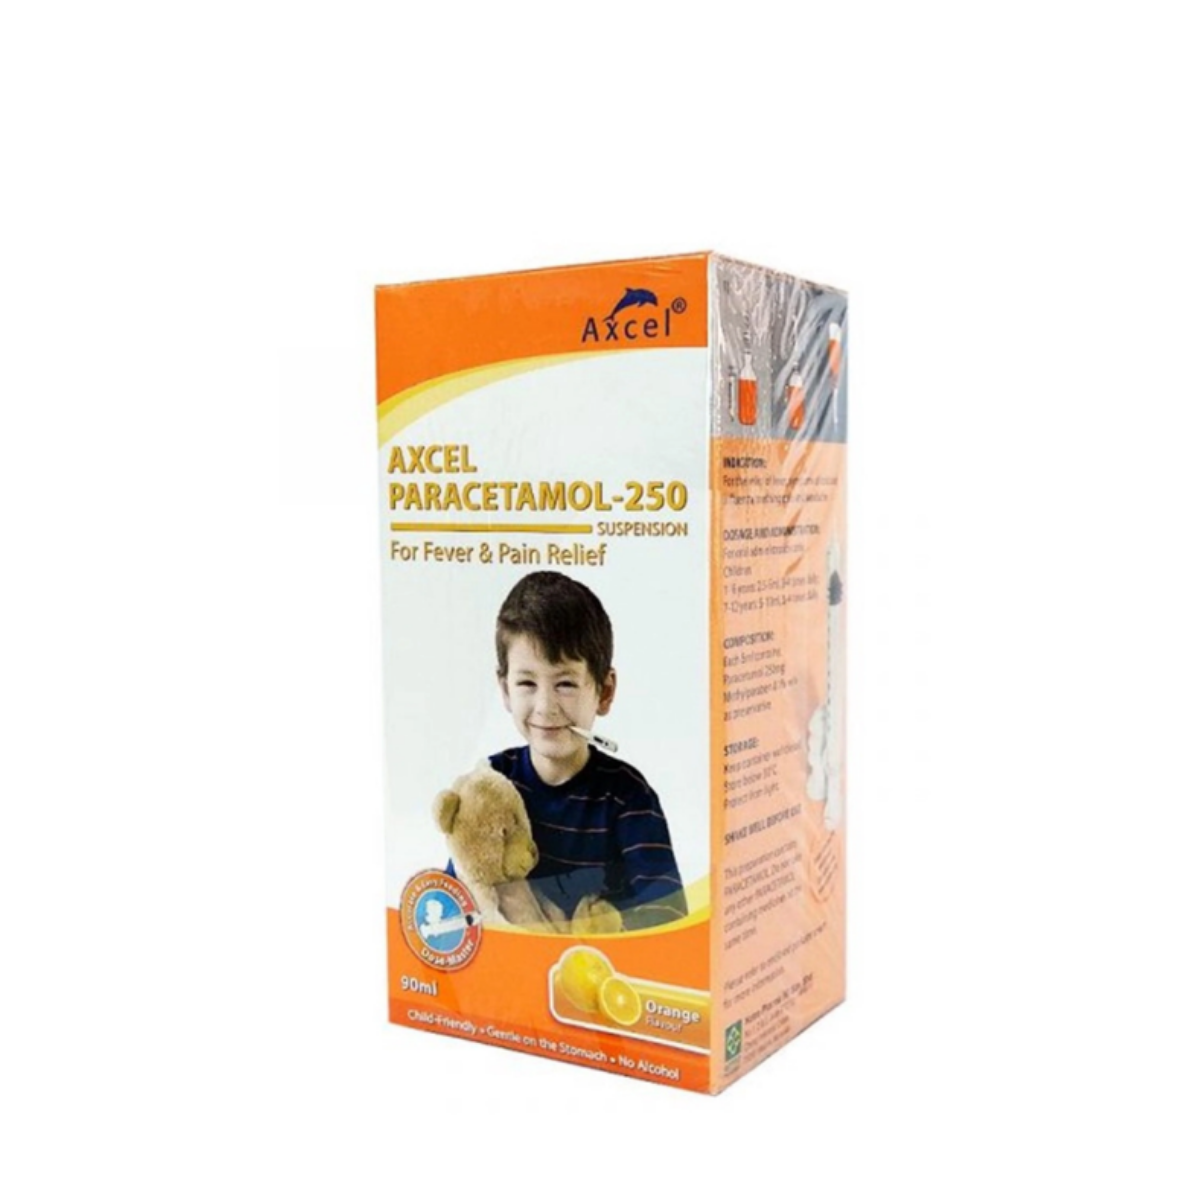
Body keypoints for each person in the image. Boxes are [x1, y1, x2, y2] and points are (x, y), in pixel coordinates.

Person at [488, 570, 686, 931]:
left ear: (604, 692)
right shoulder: (491, 782)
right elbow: (461, 889)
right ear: (505, 690)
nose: (545, 706)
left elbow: (668, 918)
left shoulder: (628, 798)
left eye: (565, 684)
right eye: (527, 683)